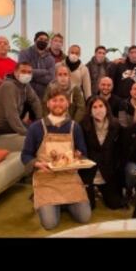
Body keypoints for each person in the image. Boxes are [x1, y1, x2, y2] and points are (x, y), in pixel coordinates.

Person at [20, 84, 91, 230]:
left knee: (84, 217)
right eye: (54, 100)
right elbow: (25, 155)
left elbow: (83, 152)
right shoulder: (36, 127)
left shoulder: (74, 127)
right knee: (50, 224)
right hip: (46, 178)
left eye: (61, 100)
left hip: (69, 178)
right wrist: (37, 164)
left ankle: (59, 203)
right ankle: (47, 201)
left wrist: (79, 156)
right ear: (48, 104)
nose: (58, 104)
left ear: (67, 103)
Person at [80, 97, 126, 209]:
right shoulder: (83, 125)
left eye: (101, 106)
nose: (98, 110)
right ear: (90, 111)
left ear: (106, 108)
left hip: (108, 170)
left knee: (115, 205)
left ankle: (101, 190)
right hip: (89, 171)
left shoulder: (116, 124)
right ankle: (92, 190)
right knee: (90, 207)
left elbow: (119, 150)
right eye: (95, 107)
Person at [0, 61, 43, 135]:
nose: (26, 74)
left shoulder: (25, 85)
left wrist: (40, 120)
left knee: (37, 129)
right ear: (15, 72)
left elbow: (35, 101)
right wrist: (26, 133)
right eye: (23, 71)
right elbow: (11, 114)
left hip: (10, 123)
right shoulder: (9, 86)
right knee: (34, 133)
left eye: (29, 72)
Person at [17, 31, 56, 103]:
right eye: (41, 39)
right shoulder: (24, 53)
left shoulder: (51, 59)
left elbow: (51, 78)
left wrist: (31, 74)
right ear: (35, 40)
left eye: (46, 40)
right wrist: (44, 71)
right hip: (25, 94)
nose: (43, 41)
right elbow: (23, 73)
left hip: (43, 96)